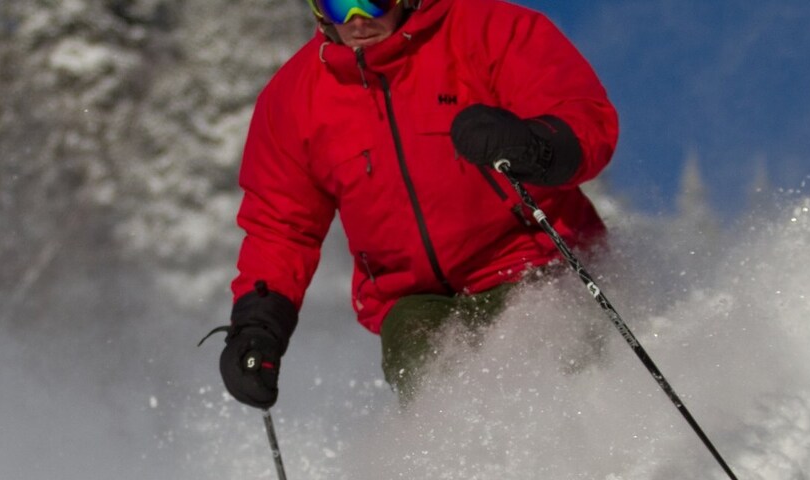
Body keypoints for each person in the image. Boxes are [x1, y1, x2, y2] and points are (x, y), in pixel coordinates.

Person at [212, 0, 618, 409]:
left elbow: (585, 117)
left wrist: (533, 145)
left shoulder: (489, 31)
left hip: (533, 263)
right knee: (435, 396)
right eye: (338, 4)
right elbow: (281, 228)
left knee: (564, 375)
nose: (358, 18)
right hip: (413, 300)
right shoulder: (294, 99)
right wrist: (257, 326)